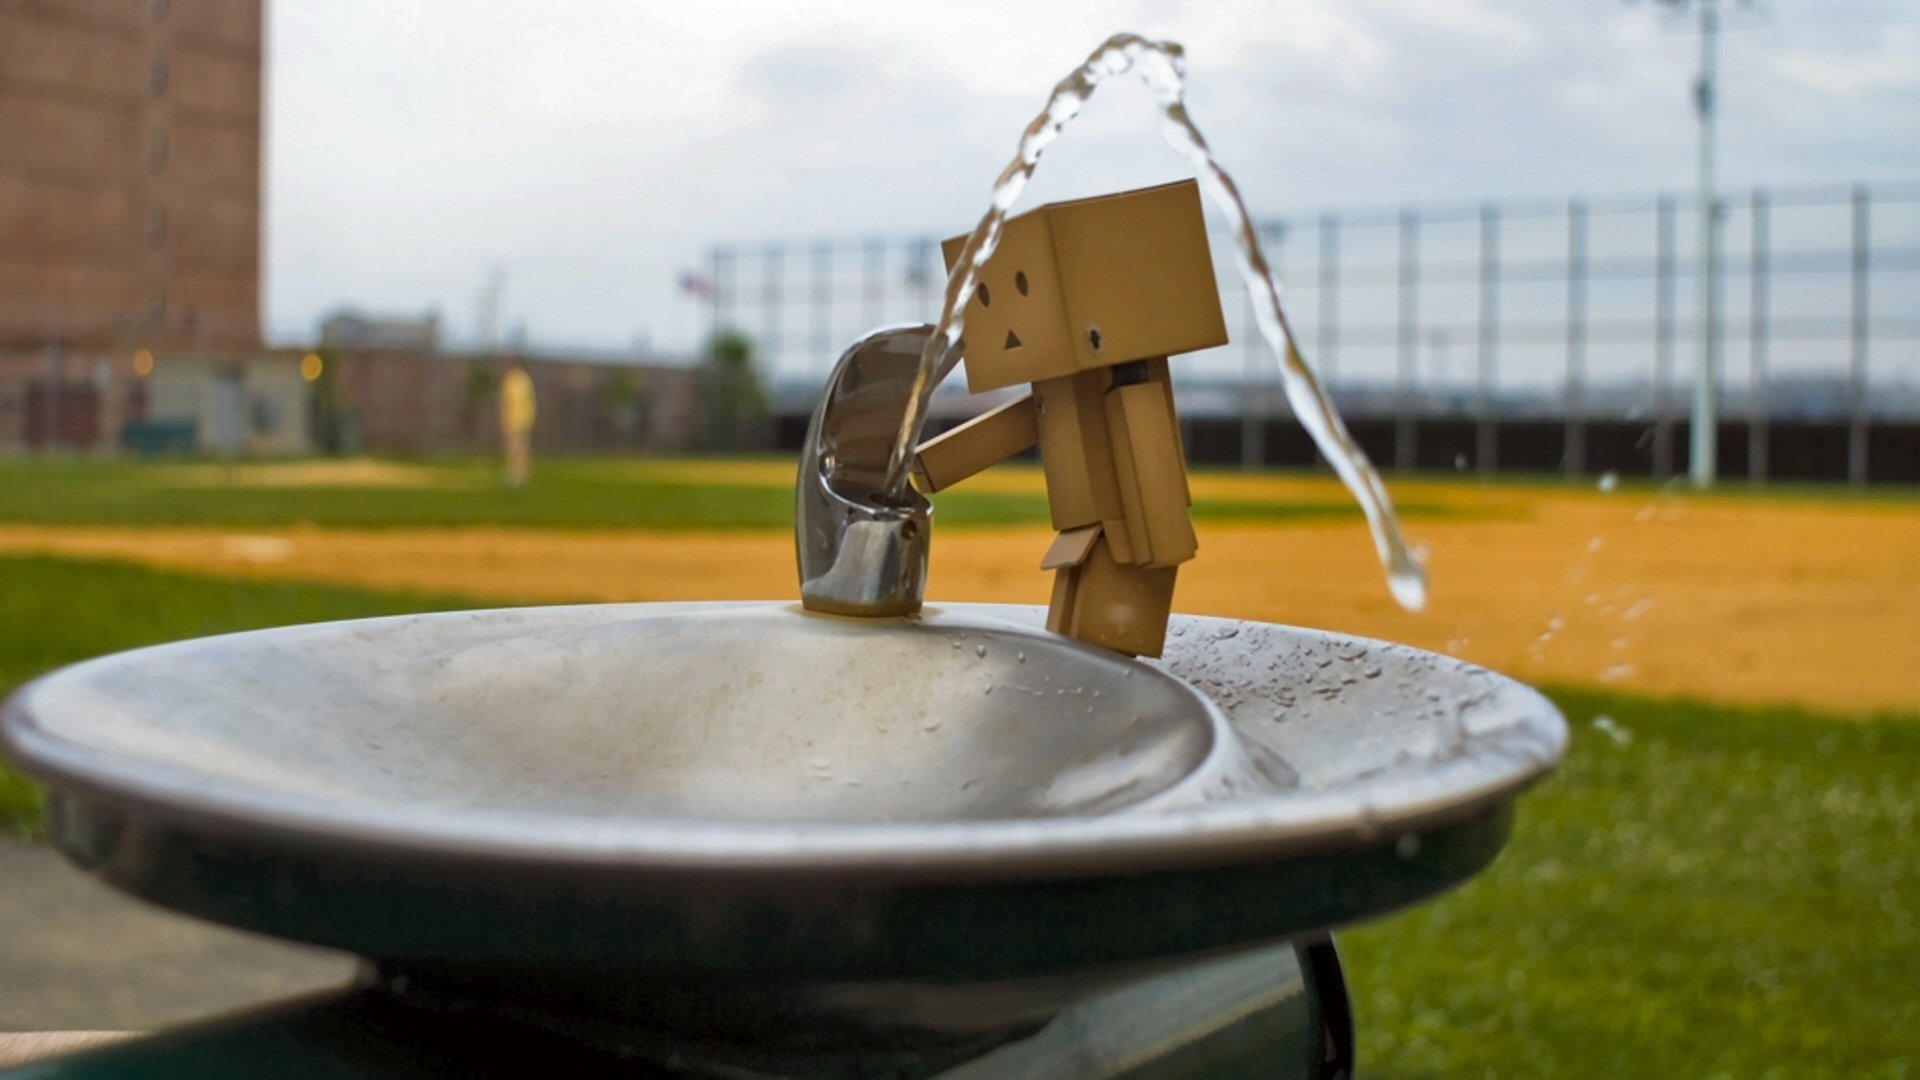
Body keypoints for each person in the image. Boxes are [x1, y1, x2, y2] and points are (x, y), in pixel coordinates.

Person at [499, 360, 537, 487]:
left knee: (515, 446)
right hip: (525, 417)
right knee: (522, 446)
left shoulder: (512, 380)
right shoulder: (525, 379)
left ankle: (517, 472)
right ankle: (521, 471)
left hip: (515, 418)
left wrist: (504, 418)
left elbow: (506, 401)